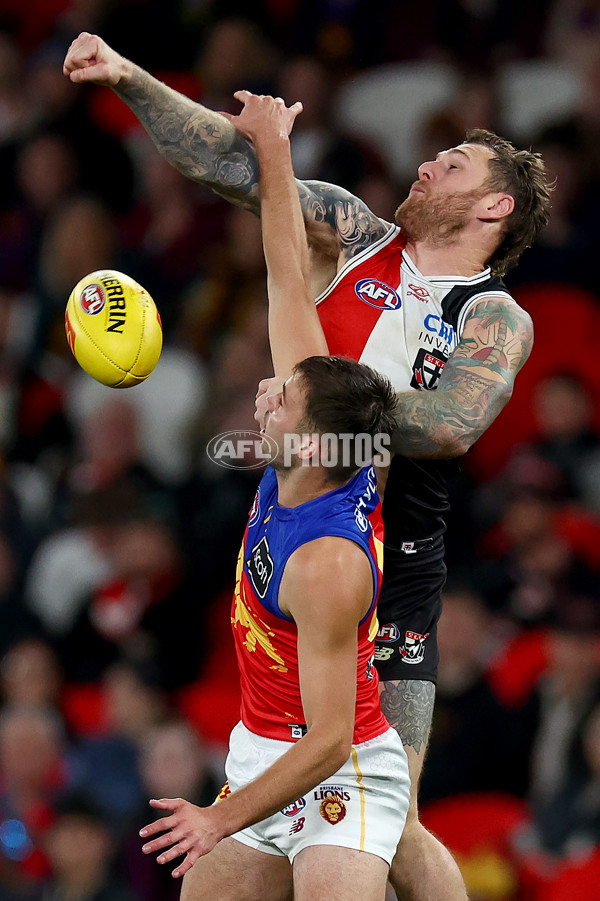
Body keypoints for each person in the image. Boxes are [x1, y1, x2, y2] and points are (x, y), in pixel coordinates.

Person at [62, 33, 553, 901]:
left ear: (496, 209)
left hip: (395, 572)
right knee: (314, 795)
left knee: (394, 819)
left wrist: (315, 410)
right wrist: (133, 78)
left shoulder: (494, 315)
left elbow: (452, 425)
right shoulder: (355, 237)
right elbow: (232, 163)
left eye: (456, 163)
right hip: (297, 536)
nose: (429, 162)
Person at [135, 93, 409, 901]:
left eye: (280, 402)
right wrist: (273, 145)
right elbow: (286, 274)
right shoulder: (318, 440)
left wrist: (218, 819)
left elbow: (327, 738)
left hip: (340, 768)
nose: (264, 396)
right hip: (259, 747)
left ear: (315, 444)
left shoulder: (327, 560)